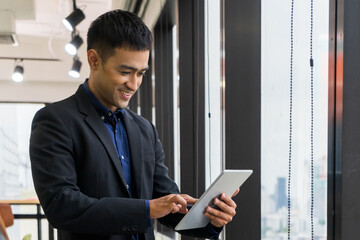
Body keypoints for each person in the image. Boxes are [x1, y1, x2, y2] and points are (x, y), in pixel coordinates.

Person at [29, 9, 238, 240]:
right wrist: (147, 209)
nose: (134, 84)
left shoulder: (144, 129)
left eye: (141, 73)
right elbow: (61, 206)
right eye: (125, 72)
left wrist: (209, 217)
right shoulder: (55, 120)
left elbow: (167, 205)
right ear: (93, 59)